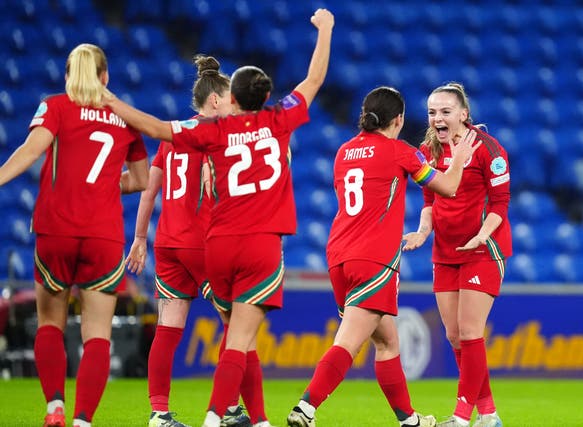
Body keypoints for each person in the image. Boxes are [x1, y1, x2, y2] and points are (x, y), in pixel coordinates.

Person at [102, 8, 334, 427]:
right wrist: (326, 29)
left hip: (191, 242)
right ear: (260, 98)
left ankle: (160, 412)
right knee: (240, 338)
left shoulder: (204, 134)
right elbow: (313, 80)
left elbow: (153, 151)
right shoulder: (275, 121)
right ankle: (240, 415)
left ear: (235, 98)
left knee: (172, 330)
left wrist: (111, 101)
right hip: (231, 240)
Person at [286, 86, 480, 427]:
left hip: (337, 256)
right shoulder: (398, 151)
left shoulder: (343, 152)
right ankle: (306, 407)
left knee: (388, 340)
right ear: (399, 119)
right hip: (373, 259)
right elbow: (448, 187)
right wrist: (460, 158)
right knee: (348, 342)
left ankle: (409, 419)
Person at [0, 43, 149, 427]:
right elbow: (141, 180)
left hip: (56, 230)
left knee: (50, 322)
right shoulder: (126, 118)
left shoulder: (55, 106)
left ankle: (55, 408)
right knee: (97, 334)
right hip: (103, 235)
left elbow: (31, 150)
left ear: (68, 75)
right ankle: (83, 420)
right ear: (106, 77)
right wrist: (102, 184)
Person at [124, 55, 263, 427]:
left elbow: (149, 190)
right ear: (216, 99)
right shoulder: (216, 136)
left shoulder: (173, 134)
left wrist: (139, 238)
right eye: (230, 99)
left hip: (166, 243)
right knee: (238, 327)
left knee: (169, 327)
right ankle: (232, 408)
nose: (234, 105)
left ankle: (159, 413)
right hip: (202, 243)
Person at [403, 82, 512, 427]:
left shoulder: (489, 150)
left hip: (483, 249)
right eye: (432, 112)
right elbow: (430, 201)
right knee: (453, 335)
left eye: (445, 111)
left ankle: (462, 416)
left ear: (464, 114)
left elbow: (500, 204)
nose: (437, 118)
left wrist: (481, 235)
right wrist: (422, 231)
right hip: (445, 252)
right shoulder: (427, 149)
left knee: (469, 331)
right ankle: (489, 414)